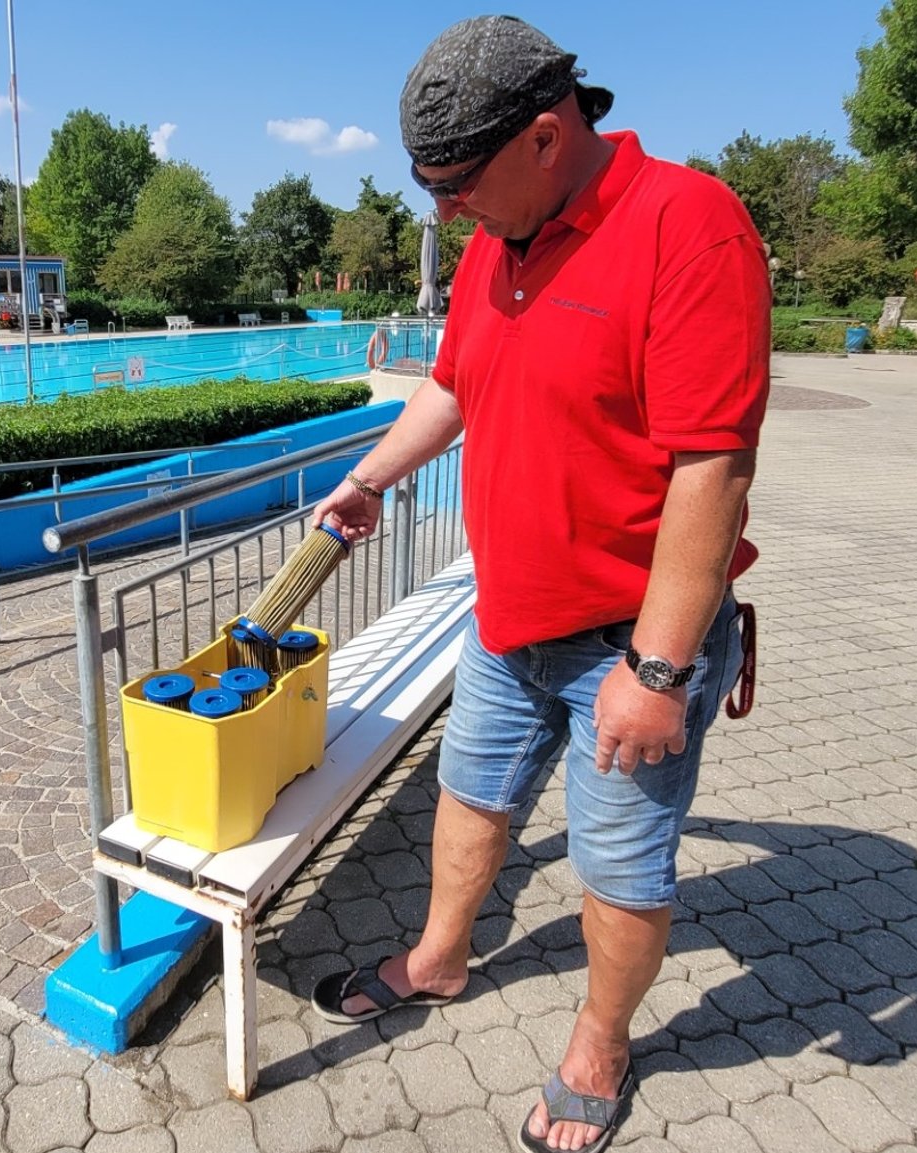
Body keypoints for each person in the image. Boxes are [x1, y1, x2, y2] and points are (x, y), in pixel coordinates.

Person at [306, 15, 769, 1153]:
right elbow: (453, 386)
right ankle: (438, 959)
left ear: (548, 137)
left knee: (619, 859)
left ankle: (599, 1046)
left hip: (627, 635)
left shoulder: (687, 226)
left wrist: (658, 669)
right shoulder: (489, 248)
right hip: (506, 615)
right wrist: (370, 476)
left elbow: (714, 463)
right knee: (470, 799)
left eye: (457, 184)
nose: (444, 211)